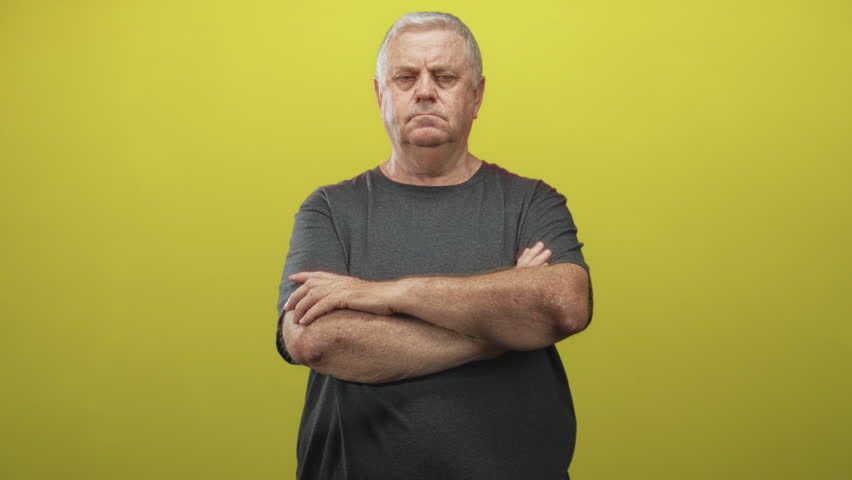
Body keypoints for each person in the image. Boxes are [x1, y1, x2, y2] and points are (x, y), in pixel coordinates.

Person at [275, 11, 593, 480]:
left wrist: (386, 295)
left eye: (445, 76)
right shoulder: (328, 210)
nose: (425, 90)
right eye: (405, 77)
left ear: (477, 95)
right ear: (381, 94)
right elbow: (319, 340)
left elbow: (564, 304)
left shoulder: (532, 202)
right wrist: (497, 328)